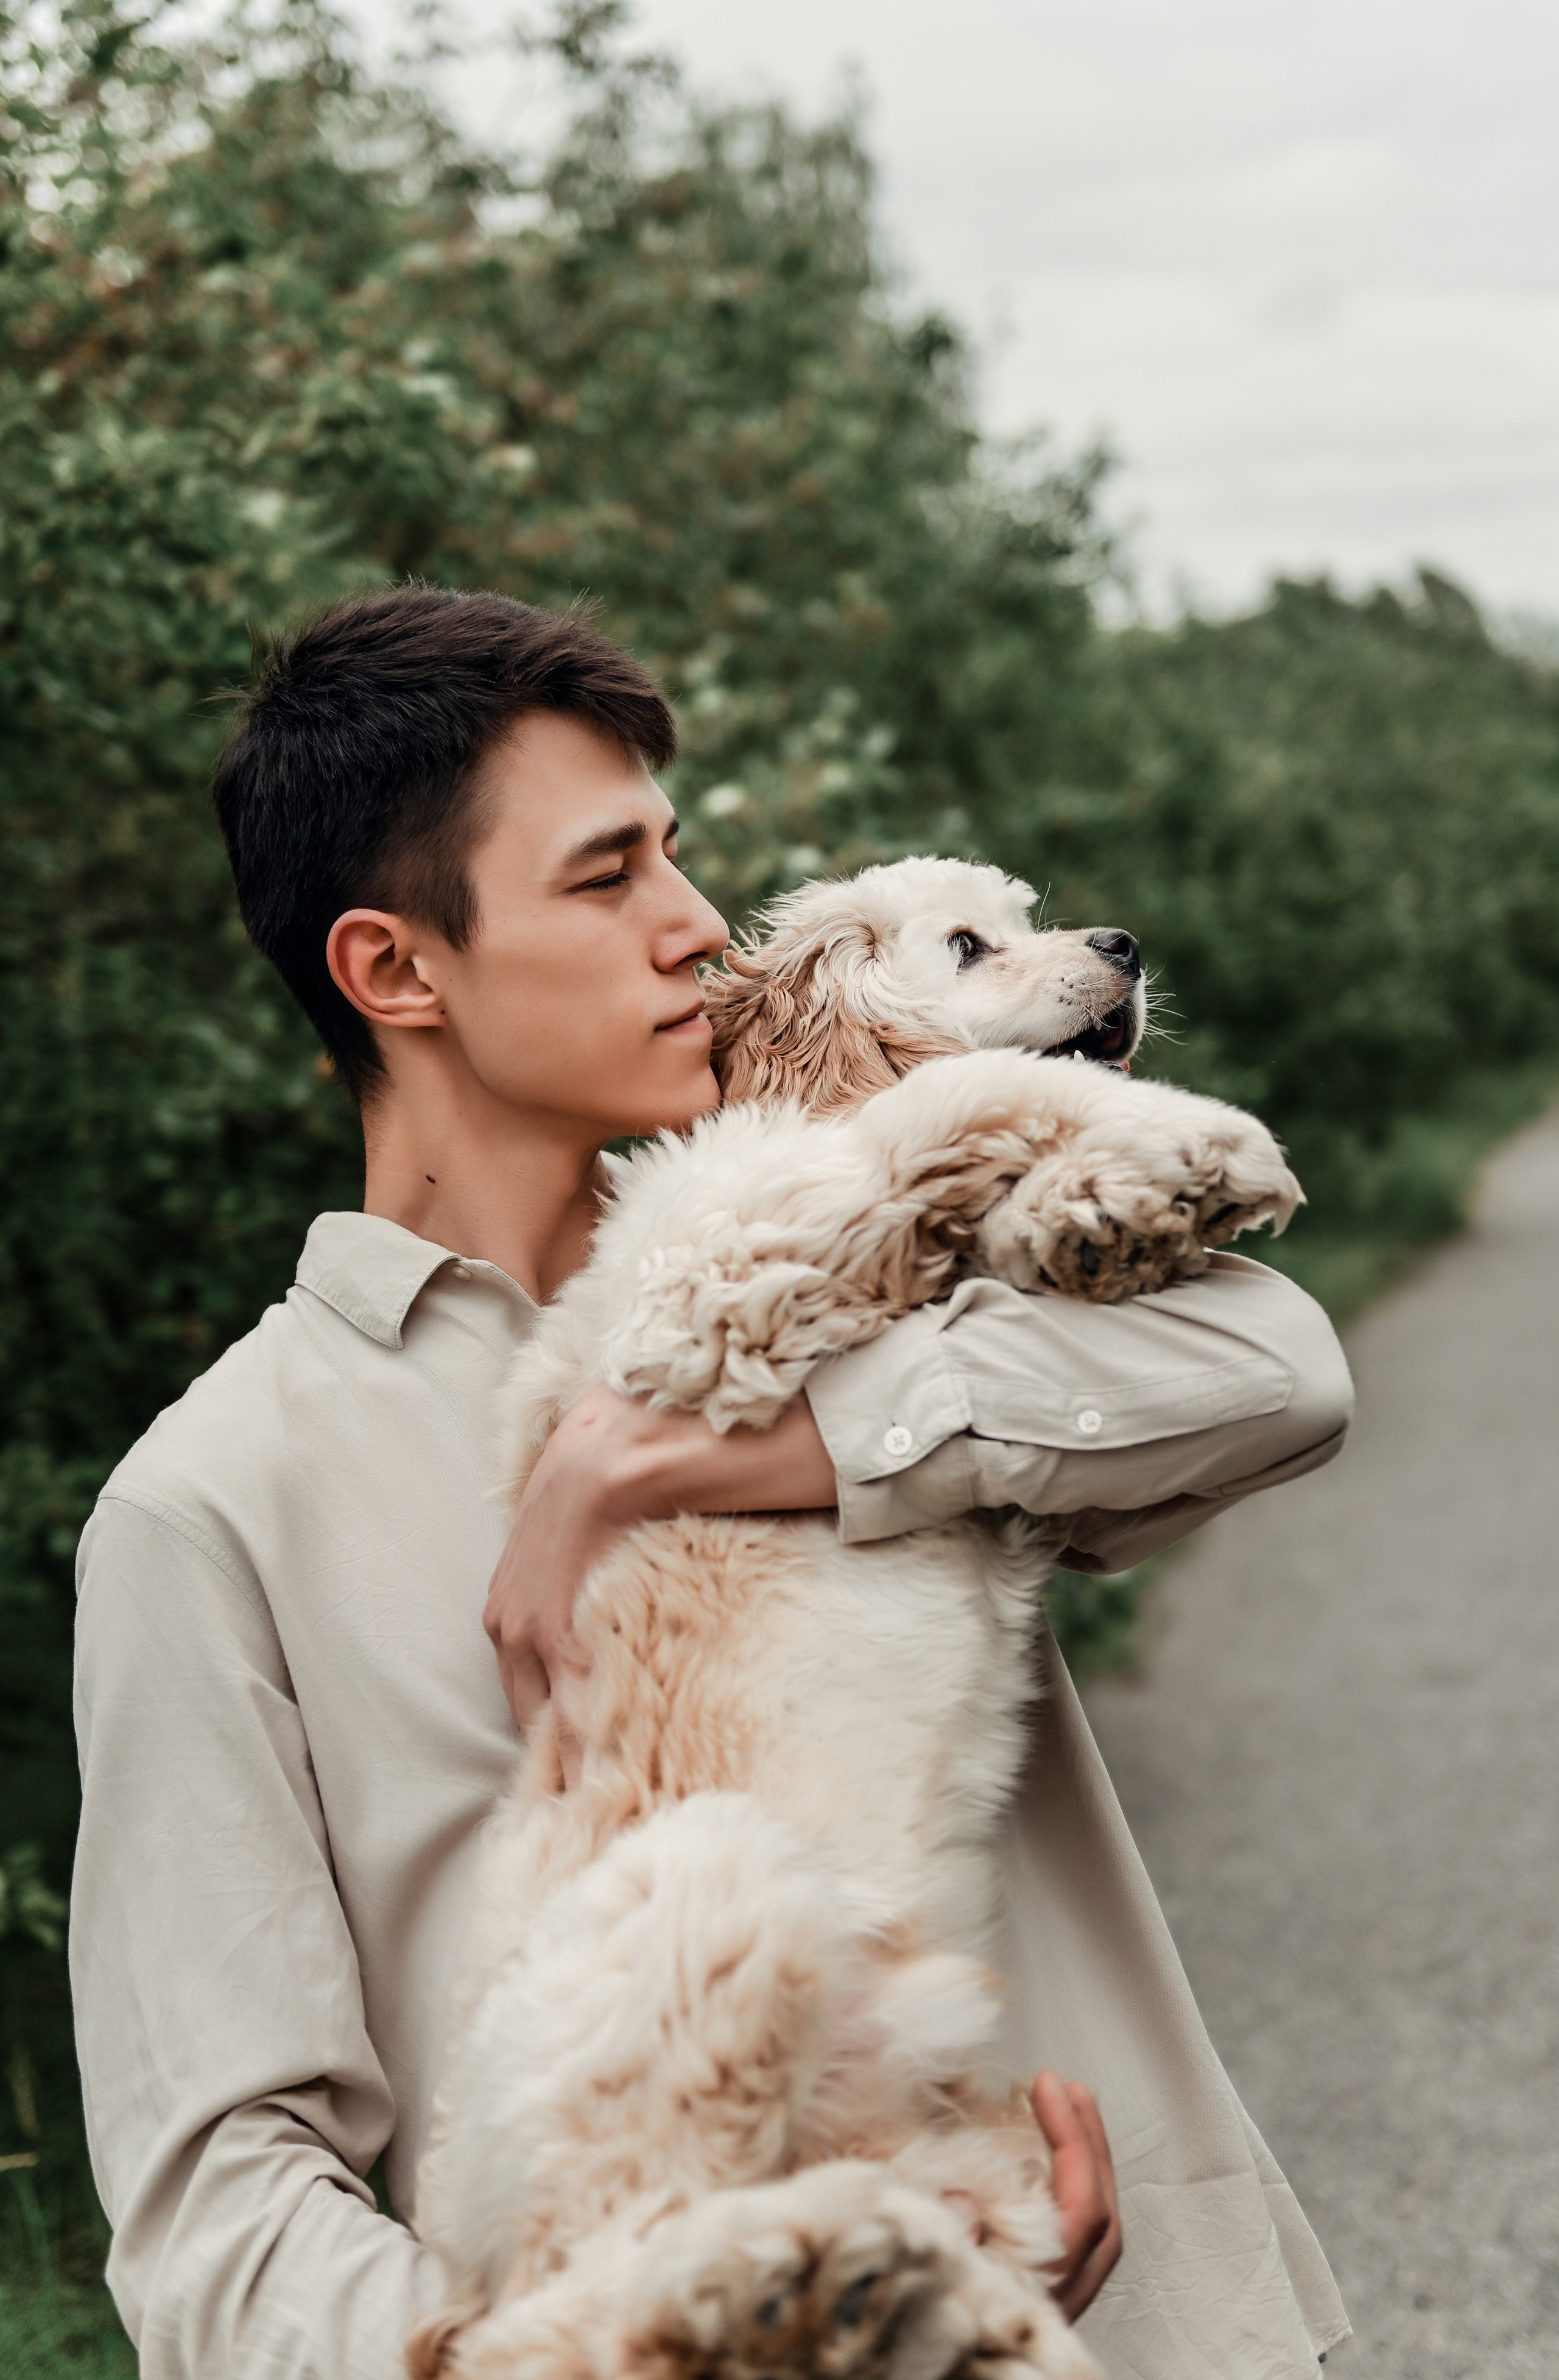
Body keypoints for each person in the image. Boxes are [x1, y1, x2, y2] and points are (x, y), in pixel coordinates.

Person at [71, 588, 1354, 2380]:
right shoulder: (209, 1505)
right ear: (395, 968)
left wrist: (679, 1453)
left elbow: (1281, 1371)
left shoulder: (859, 1249)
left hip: (1133, 2327)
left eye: (679, 856)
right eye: (610, 880)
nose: (697, 932)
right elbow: (217, 2194)